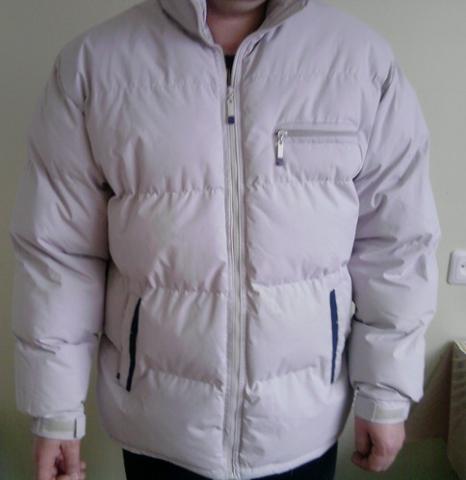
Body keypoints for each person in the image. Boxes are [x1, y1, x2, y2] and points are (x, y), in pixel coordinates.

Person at [8, 0, 442, 479]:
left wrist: (385, 393)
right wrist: (55, 410)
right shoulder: (94, 67)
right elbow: (59, 254)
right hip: (159, 431)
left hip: (301, 429)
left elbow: (396, 245)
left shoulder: (361, 64)